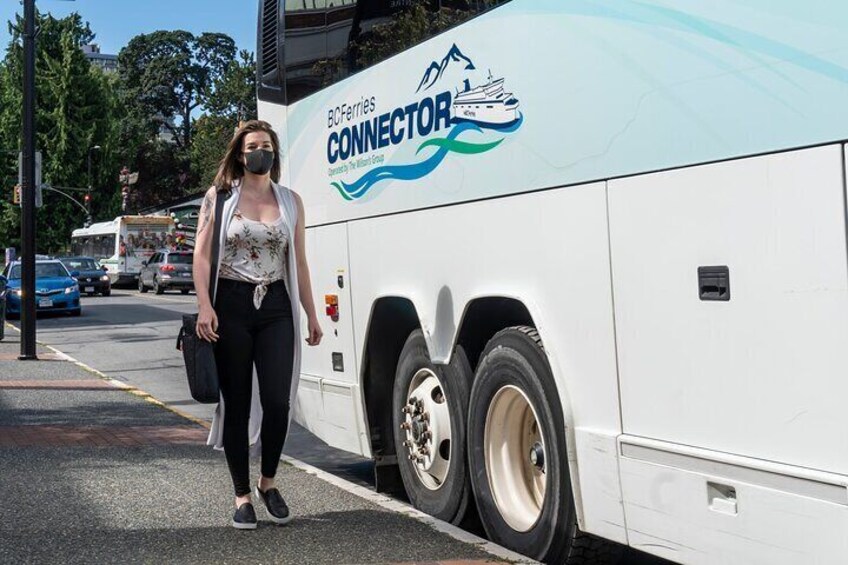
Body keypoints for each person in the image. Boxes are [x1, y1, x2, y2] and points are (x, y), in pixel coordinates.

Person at [192, 120, 323, 530]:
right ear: (240, 153)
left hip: (277, 306)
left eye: (266, 146)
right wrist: (204, 307)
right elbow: (201, 256)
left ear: (274, 153)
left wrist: (312, 313)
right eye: (252, 146)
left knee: (278, 401)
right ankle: (242, 495)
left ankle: (268, 482)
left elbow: (298, 261)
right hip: (230, 304)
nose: (259, 152)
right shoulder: (221, 196)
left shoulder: (290, 201)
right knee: (237, 402)